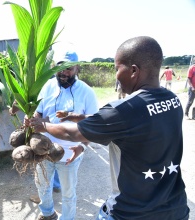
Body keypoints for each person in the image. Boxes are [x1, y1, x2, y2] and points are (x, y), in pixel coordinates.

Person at [29, 36, 189, 220]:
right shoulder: (172, 100)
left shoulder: (122, 109)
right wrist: (78, 116)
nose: (116, 75)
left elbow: (71, 132)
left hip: (130, 212)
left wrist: (44, 126)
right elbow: (123, 121)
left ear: (134, 71)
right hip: (175, 209)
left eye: (117, 68)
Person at [28, 50, 99, 220]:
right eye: (60, 68)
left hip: (69, 155)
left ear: (77, 69)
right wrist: (31, 119)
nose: (64, 73)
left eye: (69, 68)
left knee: (68, 193)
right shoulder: (48, 86)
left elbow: (94, 125)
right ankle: (47, 213)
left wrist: (81, 147)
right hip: (44, 150)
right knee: (42, 185)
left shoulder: (87, 92)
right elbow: (38, 111)